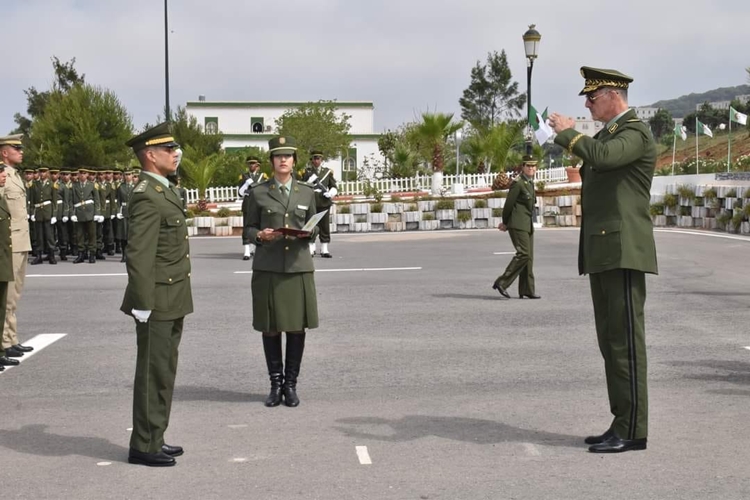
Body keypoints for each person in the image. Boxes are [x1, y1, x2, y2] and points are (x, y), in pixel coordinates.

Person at [549, 66, 657, 453]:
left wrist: (566, 131)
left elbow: (603, 157)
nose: (587, 103)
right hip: (605, 249)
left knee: (626, 341)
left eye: (592, 97)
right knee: (611, 341)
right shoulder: (611, 134)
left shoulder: (634, 133)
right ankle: (621, 422)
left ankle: (632, 429)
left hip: (624, 250)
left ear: (614, 95)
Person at [121, 122, 193, 467]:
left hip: (172, 296)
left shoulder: (164, 190)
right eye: (168, 149)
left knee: (164, 370)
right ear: (150, 155)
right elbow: (139, 256)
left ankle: (156, 436)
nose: (175, 153)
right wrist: (142, 305)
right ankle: (144, 444)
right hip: (156, 300)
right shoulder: (146, 195)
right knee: (153, 372)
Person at [245, 136, 319, 408]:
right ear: (272, 161)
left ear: (294, 161)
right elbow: (248, 229)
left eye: (288, 156)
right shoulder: (258, 192)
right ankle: (275, 384)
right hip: (269, 268)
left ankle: (291, 385)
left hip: (298, 267)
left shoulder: (307, 192)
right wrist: (260, 236)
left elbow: (316, 228)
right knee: (271, 328)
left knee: (296, 328)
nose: (283, 160)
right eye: (278, 156)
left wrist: (310, 232)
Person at [0, 135, 34, 359]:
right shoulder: (3, 175)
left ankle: (11, 339)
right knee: (7, 296)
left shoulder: (15, 175)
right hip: (9, 242)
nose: (21, 152)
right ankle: (4, 341)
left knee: (15, 294)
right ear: (4, 152)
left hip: (21, 241)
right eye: (16, 148)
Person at [492, 155, 540, 299]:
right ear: (523, 167)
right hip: (517, 224)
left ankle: (527, 289)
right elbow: (509, 205)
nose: (531, 168)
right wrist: (505, 223)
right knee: (523, 254)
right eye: (528, 166)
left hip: (527, 224)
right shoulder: (518, 183)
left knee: (528, 257)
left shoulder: (530, 183)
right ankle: (502, 282)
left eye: (533, 166)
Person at [0, 163, 20, 371]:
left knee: (6, 302)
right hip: (4, 253)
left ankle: (5, 345)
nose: (4, 176)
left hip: (8, 252)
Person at [299, 149, 337, 257]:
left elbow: (333, 185)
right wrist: (309, 181)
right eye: (314, 159)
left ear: (322, 159)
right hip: (311, 201)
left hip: (324, 201)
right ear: (311, 160)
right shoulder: (307, 172)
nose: (316, 161)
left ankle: (324, 249)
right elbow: (302, 186)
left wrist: (331, 193)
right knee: (311, 224)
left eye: (318, 158)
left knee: (324, 225)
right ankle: (311, 247)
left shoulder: (327, 172)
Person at [28, 166, 59, 265]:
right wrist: (32, 213)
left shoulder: (52, 185)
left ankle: (51, 255)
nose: (42, 174)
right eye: (40, 172)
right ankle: (39, 256)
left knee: (49, 235)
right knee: (39, 235)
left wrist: (54, 215)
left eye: (44, 172)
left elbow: (54, 202)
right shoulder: (34, 185)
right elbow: (32, 201)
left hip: (48, 211)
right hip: (38, 212)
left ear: (48, 173)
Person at [71, 167, 102, 264]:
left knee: (92, 234)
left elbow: (97, 200)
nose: (82, 175)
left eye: (84, 173)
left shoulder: (92, 185)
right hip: (79, 212)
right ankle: (81, 254)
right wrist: (72, 213)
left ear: (87, 175)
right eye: (81, 173)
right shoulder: (74, 186)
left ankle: (92, 254)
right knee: (79, 235)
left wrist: (97, 213)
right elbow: (71, 200)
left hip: (90, 212)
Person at [238, 155, 267, 260]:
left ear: (258, 165)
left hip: (259, 204)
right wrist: (246, 184)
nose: (251, 165)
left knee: (259, 226)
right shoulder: (244, 176)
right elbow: (240, 193)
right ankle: (246, 251)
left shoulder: (263, 176)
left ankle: (254, 247)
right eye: (249, 163)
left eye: (253, 164)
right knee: (246, 226)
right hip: (248, 205)